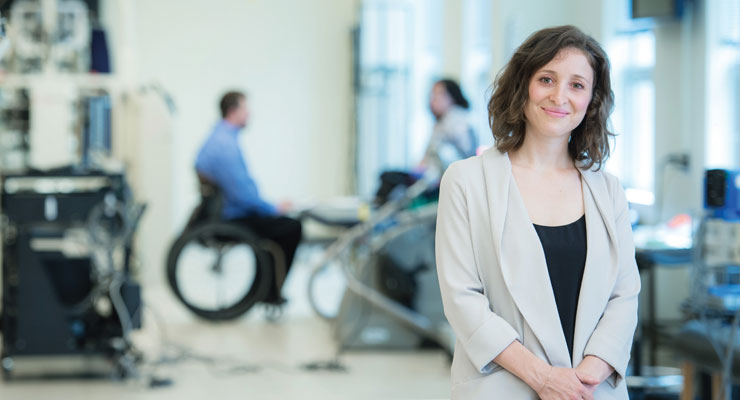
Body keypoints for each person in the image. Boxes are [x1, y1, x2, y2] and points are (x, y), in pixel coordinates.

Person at [435, 25, 640, 399]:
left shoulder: (608, 191)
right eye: (547, 79)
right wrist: (544, 379)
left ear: (591, 100)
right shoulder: (466, 181)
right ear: (523, 86)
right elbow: (462, 299)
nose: (559, 96)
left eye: (577, 85)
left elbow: (624, 296)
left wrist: (584, 379)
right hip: (505, 385)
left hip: (591, 390)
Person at [195, 90, 302, 305]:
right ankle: (269, 291)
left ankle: (266, 289)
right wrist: (272, 208)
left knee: (280, 224)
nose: (250, 114)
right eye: (246, 108)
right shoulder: (225, 145)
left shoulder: (219, 138)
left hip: (226, 209)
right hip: (232, 216)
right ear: (234, 111)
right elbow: (242, 195)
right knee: (291, 228)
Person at [374, 79, 476, 206]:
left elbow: (465, 155)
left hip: (439, 181)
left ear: (452, 97)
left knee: (390, 179)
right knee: (389, 178)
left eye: (438, 95)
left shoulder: (456, 121)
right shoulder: (443, 122)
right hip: (431, 178)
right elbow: (428, 156)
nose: (433, 100)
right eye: (432, 95)